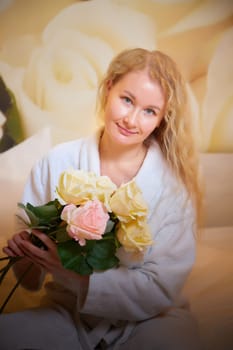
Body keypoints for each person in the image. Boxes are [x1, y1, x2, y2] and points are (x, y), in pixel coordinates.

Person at [0, 48, 203, 349]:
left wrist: (71, 275)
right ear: (109, 89)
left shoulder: (173, 191)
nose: (132, 120)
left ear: (162, 119)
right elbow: (30, 282)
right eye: (127, 100)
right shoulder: (57, 163)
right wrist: (28, 254)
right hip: (67, 313)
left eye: (149, 111)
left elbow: (159, 289)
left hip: (150, 321)